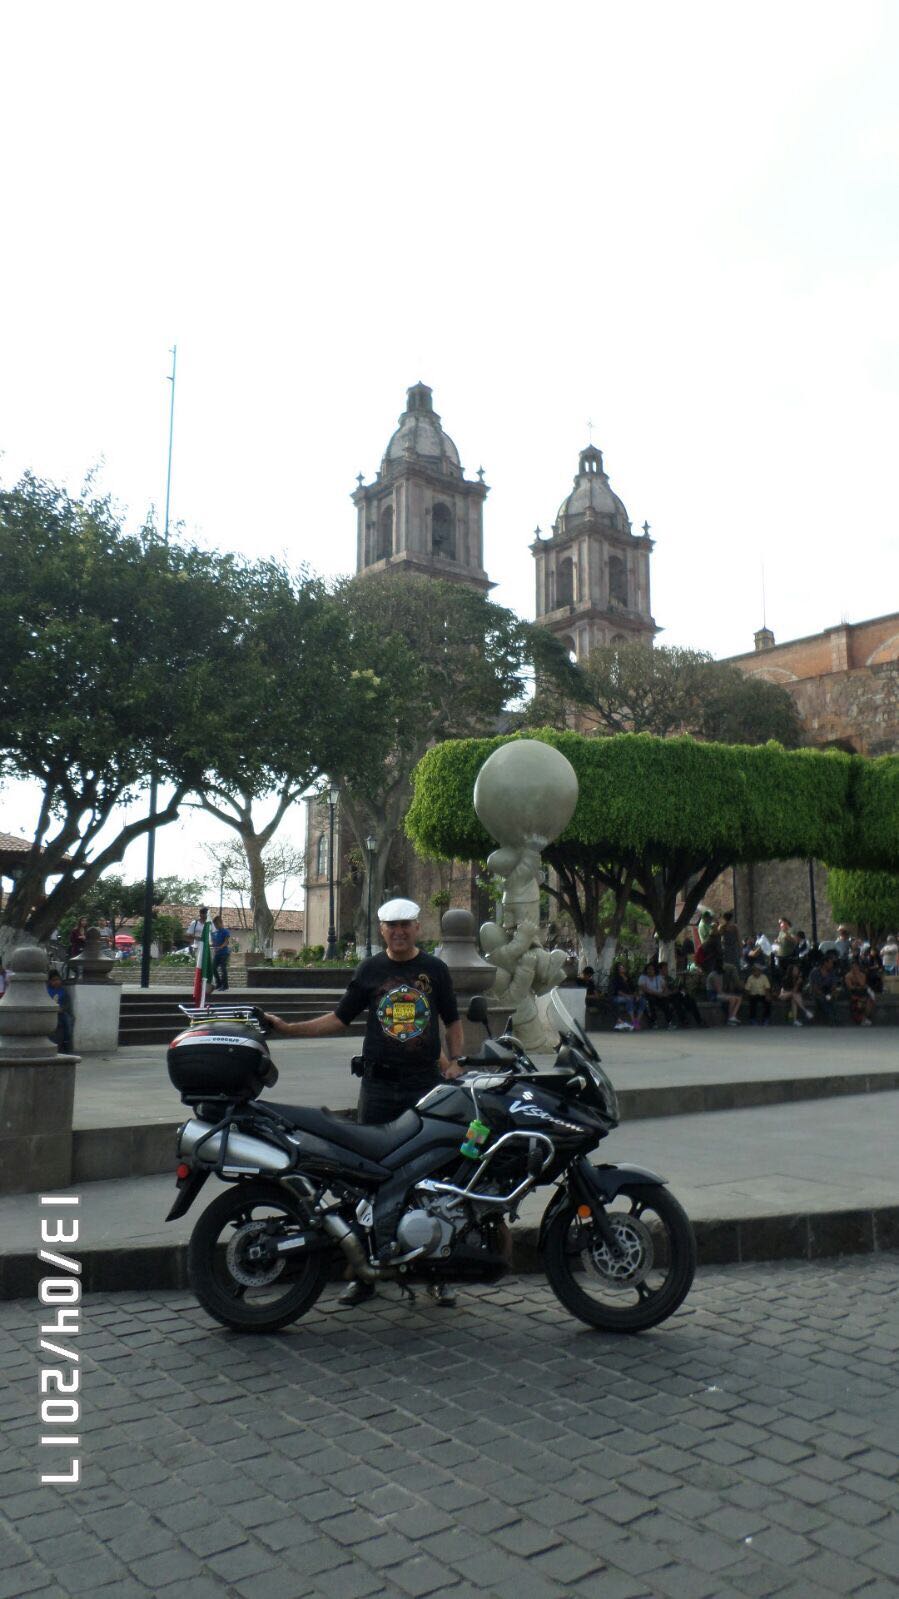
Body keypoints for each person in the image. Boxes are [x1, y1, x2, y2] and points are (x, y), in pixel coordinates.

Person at [264, 898, 463, 1309]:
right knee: (361, 1179)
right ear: (381, 930)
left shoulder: (436, 970)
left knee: (437, 1176)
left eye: (406, 924)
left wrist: (456, 1063)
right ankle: (361, 1274)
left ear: (417, 927)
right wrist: (289, 1029)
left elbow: (452, 1019)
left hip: (426, 1087)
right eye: (391, 926)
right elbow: (339, 1018)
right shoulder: (370, 970)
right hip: (378, 1089)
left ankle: (439, 1271)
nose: (399, 932)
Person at [658, 961, 706, 1027]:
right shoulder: (658, 979)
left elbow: (675, 986)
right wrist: (673, 991)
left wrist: (680, 989)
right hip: (666, 997)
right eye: (665, 968)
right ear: (660, 970)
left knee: (690, 999)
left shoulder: (669, 978)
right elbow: (664, 991)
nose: (667, 970)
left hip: (676, 994)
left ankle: (699, 1020)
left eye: (666, 968)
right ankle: (684, 1021)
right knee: (676, 1002)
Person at [637, 962, 676, 1028]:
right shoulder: (643, 977)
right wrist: (658, 994)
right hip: (648, 997)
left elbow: (665, 988)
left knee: (666, 1003)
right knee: (647, 1003)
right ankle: (635, 1024)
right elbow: (645, 989)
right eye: (648, 969)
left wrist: (664, 994)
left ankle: (669, 1022)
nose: (650, 971)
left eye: (652, 969)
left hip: (658, 996)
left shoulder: (659, 977)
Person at [608, 961, 646, 1030]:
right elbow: (617, 991)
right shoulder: (615, 978)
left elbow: (633, 989)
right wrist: (627, 996)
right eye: (621, 967)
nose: (623, 968)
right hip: (617, 997)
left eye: (623, 966)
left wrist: (636, 995)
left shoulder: (628, 978)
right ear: (617, 969)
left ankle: (637, 1021)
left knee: (642, 1000)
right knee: (629, 1000)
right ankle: (634, 1022)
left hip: (629, 996)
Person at [778, 962, 813, 1027]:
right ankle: (805, 1011)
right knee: (793, 994)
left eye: (797, 970)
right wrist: (797, 983)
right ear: (791, 971)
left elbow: (798, 992)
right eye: (795, 970)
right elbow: (790, 991)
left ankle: (794, 1020)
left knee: (794, 1000)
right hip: (784, 995)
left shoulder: (799, 980)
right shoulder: (786, 979)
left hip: (794, 996)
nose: (797, 971)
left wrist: (798, 983)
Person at [46, 969, 74, 1053]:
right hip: (50, 1013)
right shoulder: (47, 991)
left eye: (57, 980)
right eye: (53, 980)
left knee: (67, 1022)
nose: (56, 982)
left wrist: (62, 1009)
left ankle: (66, 1042)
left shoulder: (63, 991)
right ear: (49, 981)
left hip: (62, 1013)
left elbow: (67, 1004)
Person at [808, 954, 839, 1025]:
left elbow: (834, 986)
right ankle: (831, 1018)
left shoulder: (832, 972)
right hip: (817, 992)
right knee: (822, 999)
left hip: (828, 991)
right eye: (830, 963)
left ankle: (834, 1017)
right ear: (825, 963)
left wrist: (831, 994)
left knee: (832, 998)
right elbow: (814, 988)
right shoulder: (815, 972)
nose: (832, 965)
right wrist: (824, 995)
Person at [844, 958, 876, 1026]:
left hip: (862, 992)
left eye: (856, 966)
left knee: (868, 1002)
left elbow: (862, 984)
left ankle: (865, 1018)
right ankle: (860, 1019)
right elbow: (850, 987)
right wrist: (857, 986)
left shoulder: (862, 975)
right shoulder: (848, 976)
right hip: (853, 993)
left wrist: (858, 976)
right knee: (859, 1003)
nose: (855, 968)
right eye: (853, 967)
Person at [743, 956, 772, 1025]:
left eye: (758, 970)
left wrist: (767, 995)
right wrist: (746, 996)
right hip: (753, 995)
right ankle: (752, 1019)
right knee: (752, 1004)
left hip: (763, 994)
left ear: (760, 971)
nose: (756, 972)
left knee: (767, 1003)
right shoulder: (750, 978)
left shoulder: (764, 977)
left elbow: (767, 987)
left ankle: (766, 1018)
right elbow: (747, 988)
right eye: (754, 971)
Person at [211, 915, 231, 991]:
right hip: (217, 954)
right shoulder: (216, 932)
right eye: (214, 925)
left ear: (220, 923)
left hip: (224, 953)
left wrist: (220, 947)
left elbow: (226, 942)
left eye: (216, 924)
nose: (215, 926)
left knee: (223, 969)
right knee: (213, 968)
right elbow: (215, 943)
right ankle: (218, 983)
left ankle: (225, 985)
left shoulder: (225, 931)